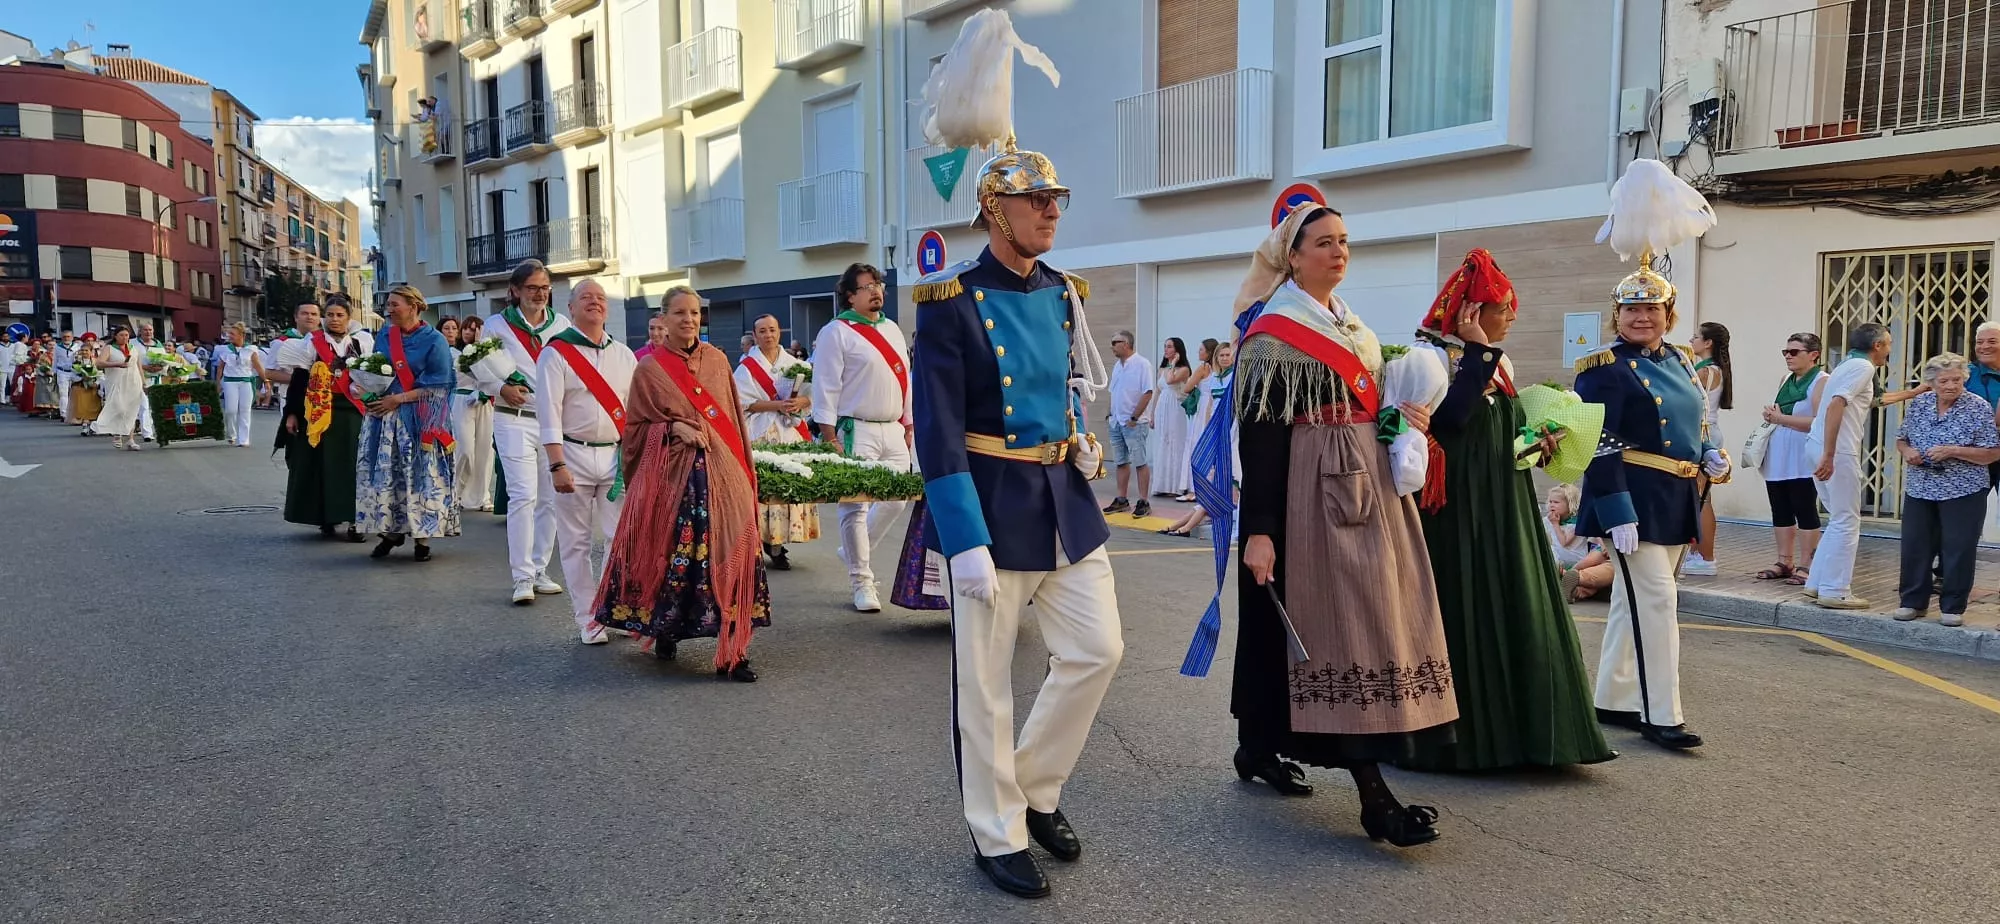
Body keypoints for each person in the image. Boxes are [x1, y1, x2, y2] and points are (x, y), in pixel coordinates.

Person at [911, 49, 1123, 895]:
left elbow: (1068, 385)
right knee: (985, 686)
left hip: (1062, 499)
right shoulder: (950, 303)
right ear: (995, 210)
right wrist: (960, 538)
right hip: (992, 507)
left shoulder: (1062, 291)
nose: (1052, 212)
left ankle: (1033, 787)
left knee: (1097, 651)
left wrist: (1081, 439)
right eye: (1037, 200)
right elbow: (937, 430)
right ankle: (996, 833)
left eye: (1056, 199)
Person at [1217, 204, 1455, 846]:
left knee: (1313, 625)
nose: (1338, 252)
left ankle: (1257, 747)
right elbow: (1260, 439)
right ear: (1292, 257)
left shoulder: (1355, 329)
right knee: (1340, 632)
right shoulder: (1275, 334)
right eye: (1324, 243)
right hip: (1310, 493)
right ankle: (1374, 799)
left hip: (1367, 486)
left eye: (1344, 241)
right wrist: (1261, 528)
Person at [1403, 248, 1614, 772]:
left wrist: (1534, 442)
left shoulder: (1500, 362)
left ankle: (1527, 735)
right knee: (1465, 606)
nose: (1513, 317)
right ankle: (1466, 740)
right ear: (1470, 312)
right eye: (1502, 308)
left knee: (1515, 600)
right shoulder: (1427, 359)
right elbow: (1448, 426)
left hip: (1504, 502)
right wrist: (1475, 355)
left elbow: (1494, 433)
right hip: (1456, 511)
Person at [1572, 249, 1729, 751]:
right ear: (1617, 314)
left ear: (1669, 314)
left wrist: (1709, 453)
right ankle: (1662, 713)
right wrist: (1615, 511)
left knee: (1630, 600)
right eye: (1632, 310)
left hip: (1677, 493)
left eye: (1653, 309)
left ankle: (1613, 697)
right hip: (1631, 500)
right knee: (1659, 600)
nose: (1642, 318)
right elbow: (1597, 442)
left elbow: (1696, 421)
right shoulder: (1602, 368)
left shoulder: (1682, 360)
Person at [591, 286, 767, 681]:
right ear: (663, 319)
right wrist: (672, 428)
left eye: (694, 313)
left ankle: (734, 651)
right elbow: (635, 431)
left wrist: (742, 472)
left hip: (725, 478)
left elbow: (736, 422)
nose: (689, 319)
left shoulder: (718, 361)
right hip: (675, 485)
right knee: (677, 559)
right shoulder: (650, 371)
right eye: (680, 313)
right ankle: (665, 628)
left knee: (733, 553)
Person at [535, 280, 637, 645]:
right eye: (586, 298)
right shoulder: (556, 353)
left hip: (615, 458)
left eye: (600, 298)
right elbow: (548, 413)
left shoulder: (624, 355)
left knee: (618, 538)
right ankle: (588, 618)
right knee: (576, 541)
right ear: (571, 308)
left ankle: (613, 608)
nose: (595, 303)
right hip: (573, 455)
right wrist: (556, 464)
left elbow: (634, 410)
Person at [810, 262, 913, 613]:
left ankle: (853, 550)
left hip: (893, 428)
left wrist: (909, 423)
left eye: (878, 284)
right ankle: (862, 582)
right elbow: (825, 385)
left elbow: (906, 380)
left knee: (897, 499)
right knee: (855, 506)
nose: (876, 291)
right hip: (857, 428)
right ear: (850, 295)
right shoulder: (836, 332)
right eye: (867, 286)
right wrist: (829, 435)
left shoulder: (893, 329)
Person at [1804, 323, 1927, 609]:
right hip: (1837, 449)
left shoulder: (1847, 365)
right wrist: (1831, 454)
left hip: (1816, 445)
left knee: (1837, 518)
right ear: (1877, 346)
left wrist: (1914, 393)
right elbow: (1837, 405)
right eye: (1889, 344)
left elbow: (1873, 401)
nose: (1890, 350)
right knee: (1847, 520)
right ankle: (1836, 590)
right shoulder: (1864, 369)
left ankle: (1816, 583)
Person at [482, 260, 572, 604]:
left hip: (552, 422)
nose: (540, 294)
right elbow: (478, 367)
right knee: (523, 496)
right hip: (512, 417)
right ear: (515, 291)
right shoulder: (496, 325)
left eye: (545, 287)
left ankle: (539, 569)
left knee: (550, 497)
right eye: (532, 288)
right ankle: (521, 577)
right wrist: (500, 388)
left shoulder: (561, 324)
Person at [1891, 353, 1998, 627]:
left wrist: (1954, 451)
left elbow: (1992, 453)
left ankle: (1952, 606)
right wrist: (1909, 452)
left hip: (1963, 489)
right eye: (1944, 381)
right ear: (1932, 382)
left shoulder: (1978, 407)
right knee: (1916, 546)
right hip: (1921, 486)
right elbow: (1901, 439)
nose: (1951, 385)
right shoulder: (1920, 403)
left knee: (1958, 548)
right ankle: (1912, 602)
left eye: (1957, 380)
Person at [355, 285, 460, 561]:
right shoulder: (385, 336)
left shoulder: (434, 340)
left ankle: (422, 538)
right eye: (388, 305)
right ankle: (392, 530)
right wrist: (370, 393)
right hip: (385, 418)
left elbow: (439, 386)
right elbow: (375, 368)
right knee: (390, 477)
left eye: (394, 304)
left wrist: (398, 399)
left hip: (420, 419)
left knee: (419, 476)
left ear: (413, 306)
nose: (389, 310)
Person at [284, 296, 374, 540]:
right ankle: (327, 516)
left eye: (340, 315)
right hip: (320, 412)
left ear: (348, 318)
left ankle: (357, 520)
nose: (334, 319)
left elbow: (368, 377)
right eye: (331, 315)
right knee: (322, 466)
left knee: (355, 466)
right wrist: (292, 413)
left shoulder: (361, 343)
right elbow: (299, 381)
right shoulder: (311, 343)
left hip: (352, 411)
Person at [735, 313, 813, 570]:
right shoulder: (746, 368)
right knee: (765, 487)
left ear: (780, 332)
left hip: (790, 432)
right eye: (762, 331)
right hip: (761, 432)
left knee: (788, 485)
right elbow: (743, 403)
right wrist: (777, 404)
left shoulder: (796, 363)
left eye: (772, 329)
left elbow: (812, 397)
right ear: (755, 336)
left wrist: (800, 402)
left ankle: (779, 541)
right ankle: (764, 543)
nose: (768, 335)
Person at [1755, 333, 1827, 588]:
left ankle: (1807, 564)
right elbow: (1780, 414)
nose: (1788, 356)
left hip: (1801, 454)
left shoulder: (1821, 381)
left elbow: (1820, 423)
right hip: (1778, 453)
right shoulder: (1786, 379)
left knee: (1804, 508)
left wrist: (1781, 419)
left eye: (1794, 352)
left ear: (1813, 355)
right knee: (1780, 509)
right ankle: (1784, 560)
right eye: (1785, 352)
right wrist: (1773, 415)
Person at [1161, 340, 1235, 537]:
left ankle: (1183, 527)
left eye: (1228, 355)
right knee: (1214, 489)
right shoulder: (1215, 378)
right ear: (1217, 357)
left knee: (1220, 489)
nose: (1225, 358)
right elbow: (1210, 406)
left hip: (1230, 430)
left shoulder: (1234, 377)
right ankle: (1178, 525)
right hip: (1217, 429)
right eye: (1222, 355)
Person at [1681, 322, 1734, 576]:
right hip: (1707, 432)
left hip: (1702, 433)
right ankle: (1698, 553)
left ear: (1708, 342)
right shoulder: (1711, 369)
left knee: (1701, 498)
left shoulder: (1705, 372)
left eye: (1696, 337)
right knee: (1700, 497)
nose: (1691, 341)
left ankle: (1705, 556)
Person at [1101, 331, 1154, 518]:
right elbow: (1113, 391)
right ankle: (1121, 499)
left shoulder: (1142, 364)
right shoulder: (1117, 366)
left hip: (1134, 422)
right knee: (1121, 461)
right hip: (1117, 421)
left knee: (1140, 461)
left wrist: (1134, 417)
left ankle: (1143, 500)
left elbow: (1147, 392)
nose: (1112, 345)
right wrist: (1109, 413)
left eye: (1115, 342)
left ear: (1126, 344)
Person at [452, 315, 496, 513]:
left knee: (485, 451)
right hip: (462, 401)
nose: (469, 332)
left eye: (474, 329)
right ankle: (456, 493)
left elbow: (496, 375)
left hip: (484, 402)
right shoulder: (453, 352)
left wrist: (481, 347)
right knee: (465, 449)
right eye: (466, 329)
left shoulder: (489, 352)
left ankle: (482, 496)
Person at [1150, 337, 1193, 499]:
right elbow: (1158, 390)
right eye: (1165, 346)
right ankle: (1162, 484)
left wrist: (1174, 363)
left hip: (1175, 408)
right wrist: (1152, 413)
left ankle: (1176, 485)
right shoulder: (1163, 368)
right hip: (1162, 407)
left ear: (1177, 350)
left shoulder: (1183, 369)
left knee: (1175, 441)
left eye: (1169, 347)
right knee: (1162, 441)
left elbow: (1170, 380)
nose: (1166, 350)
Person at [94, 327, 147, 451]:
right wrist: (117, 364)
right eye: (122, 335)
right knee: (119, 408)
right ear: (116, 336)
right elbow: (99, 363)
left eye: (127, 335)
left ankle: (130, 439)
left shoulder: (134, 349)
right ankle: (117, 434)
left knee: (131, 410)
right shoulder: (109, 348)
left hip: (133, 382)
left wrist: (144, 383)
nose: (125, 337)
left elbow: (139, 367)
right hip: (116, 382)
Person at [214, 323, 264, 448]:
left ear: (241, 335)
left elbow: (258, 366)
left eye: (232, 334)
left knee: (245, 410)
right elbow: (220, 368)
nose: (229, 336)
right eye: (229, 334)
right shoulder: (225, 349)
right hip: (230, 381)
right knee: (230, 410)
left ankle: (244, 439)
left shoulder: (251, 349)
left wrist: (266, 381)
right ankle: (231, 434)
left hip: (246, 381)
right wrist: (218, 383)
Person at [53, 330, 78, 424]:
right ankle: (64, 414)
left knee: (75, 393)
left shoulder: (77, 347)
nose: (66, 338)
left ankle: (75, 412)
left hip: (74, 371)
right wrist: (54, 372)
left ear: (72, 337)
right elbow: (54, 360)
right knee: (63, 393)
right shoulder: (57, 347)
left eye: (68, 336)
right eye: (64, 337)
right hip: (62, 371)